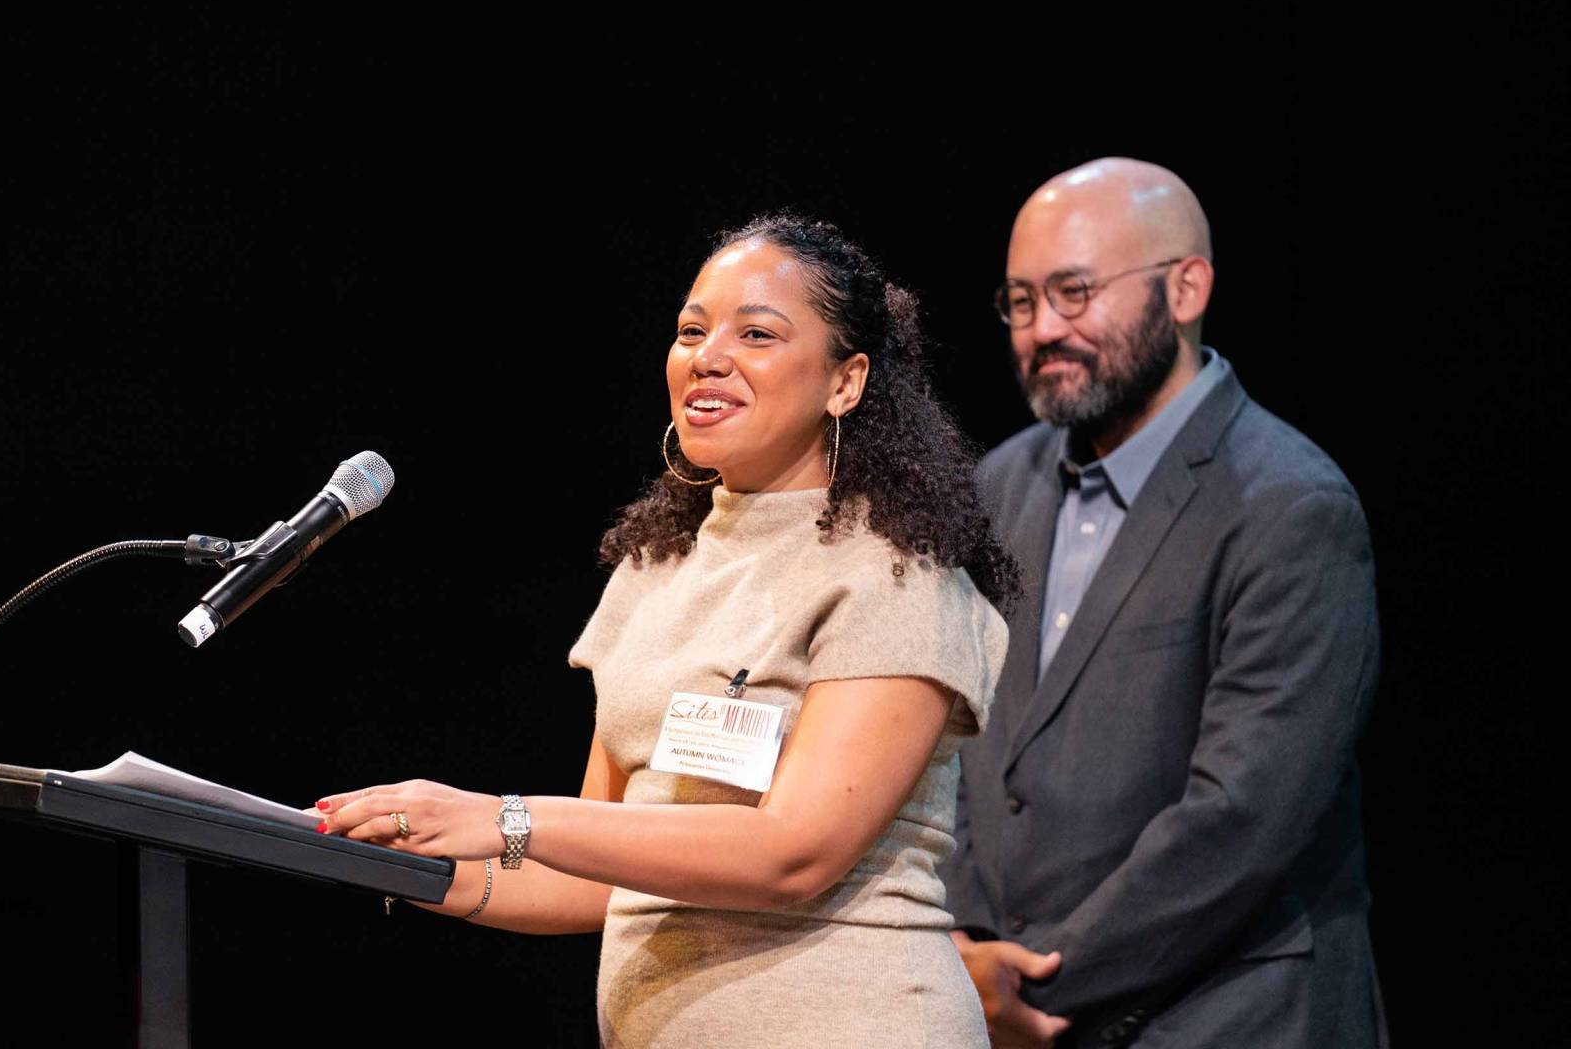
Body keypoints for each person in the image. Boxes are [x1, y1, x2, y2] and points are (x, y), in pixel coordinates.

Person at [313, 214, 1019, 1047]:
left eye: (756, 333)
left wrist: (504, 815)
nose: (707, 356)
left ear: (847, 380)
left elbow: (793, 853)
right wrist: (386, 854)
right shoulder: (656, 568)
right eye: (691, 330)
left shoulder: (895, 576)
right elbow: (595, 879)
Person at [947, 158, 1384, 1047]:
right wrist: (959, 952)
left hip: (1229, 1018)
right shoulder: (1000, 486)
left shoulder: (1291, 505)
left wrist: (1036, 986)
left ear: (1186, 289)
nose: (1043, 330)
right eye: (1021, 301)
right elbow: (961, 744)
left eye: (1074, 292)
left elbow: (1243, 817)